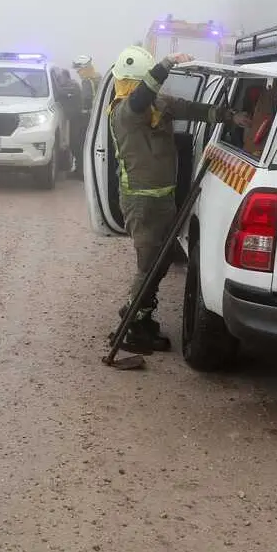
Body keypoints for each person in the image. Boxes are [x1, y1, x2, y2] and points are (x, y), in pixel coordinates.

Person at [107, 45, 249, 353]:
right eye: (140, 81)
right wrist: (166, 64)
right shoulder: (125, 112)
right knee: (148, 265)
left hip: (163, 198)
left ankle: (139, 315)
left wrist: (227, 116)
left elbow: (189, 108)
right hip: (141, 202)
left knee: (163, 260)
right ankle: (133, 326)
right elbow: (141, 97)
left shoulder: (158, 105)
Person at [68, 55, 98, 179]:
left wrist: (80, 109)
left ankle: (81, 172)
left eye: (79, 69)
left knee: (78, 144)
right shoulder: (95, 78)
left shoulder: (87, 80)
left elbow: (87, 99)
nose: (78, 72)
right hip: (93, 117)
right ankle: (82, 170)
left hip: (87, 118)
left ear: (84, 68)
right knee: (84, 144)